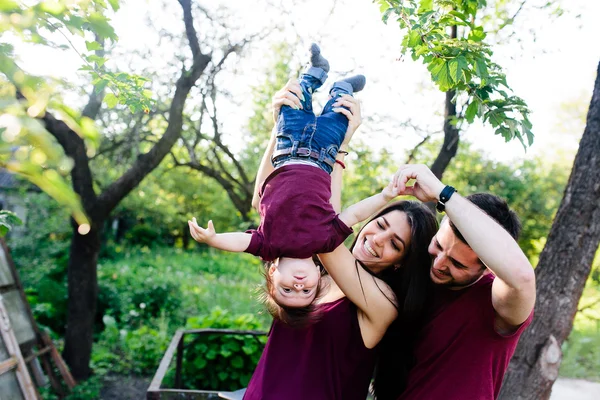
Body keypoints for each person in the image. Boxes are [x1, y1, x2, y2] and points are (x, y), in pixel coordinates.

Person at [240, 80, 438, 400]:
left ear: (402, 262)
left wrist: (340, 143)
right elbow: (266, 203)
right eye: (381, 224)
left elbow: (321, 228)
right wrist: (279, 133)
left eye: (395, 244)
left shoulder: (382, 303)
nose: (377, 239)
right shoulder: (317, 269)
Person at [188, 44, 403, 312]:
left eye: (287, 289)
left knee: (295, 100)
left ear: (272, 272)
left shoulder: (268, 244)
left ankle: (316, 71)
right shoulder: (326, 242)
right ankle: (342, 87)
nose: (298, 284)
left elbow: (240, 241)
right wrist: (384, 196)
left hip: (288, 146)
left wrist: (213, 239)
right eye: (306, 290)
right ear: (318, 277)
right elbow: (354, 214)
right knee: (339, 114)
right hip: (325, 153)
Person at [385, 164, 537, 400]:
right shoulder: (414, 273)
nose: (438, 264)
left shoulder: (499, 304)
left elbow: (523, 277)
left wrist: (440, 191)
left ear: (488, 267)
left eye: (458, 264)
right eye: (438, 246)